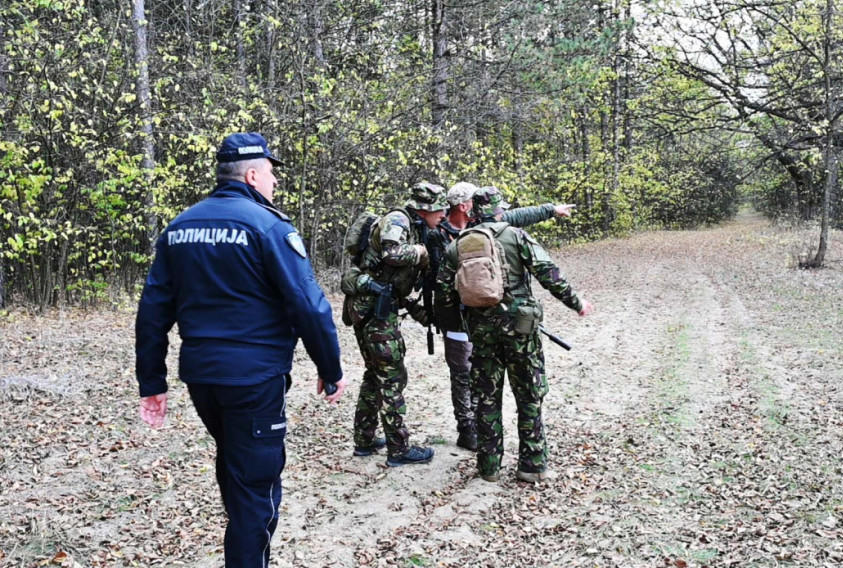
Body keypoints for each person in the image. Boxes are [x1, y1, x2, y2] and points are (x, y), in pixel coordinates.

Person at [135, 132, 347, 568]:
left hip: (203, 379)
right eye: (270, 173)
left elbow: (153, 311)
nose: (275, 182)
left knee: (236, 469)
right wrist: (331, 367)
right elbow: (308, 304)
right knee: (254, 488)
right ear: (252, 175)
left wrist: (152, 382)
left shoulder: (180, 228)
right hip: (253, 380)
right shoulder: (269, 226)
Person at [435, 186, 594, 483]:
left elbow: (443, 294)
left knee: (486, 398)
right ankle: (532, 465)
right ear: (499, 210)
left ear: (474, 212)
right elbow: (548, 273)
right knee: (529, 394)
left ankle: (489, 467)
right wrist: (577, 303)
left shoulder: (460, 245)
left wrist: (460, 327)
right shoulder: (516, 236)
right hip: (520, 329)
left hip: (481, 332)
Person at [345, 182, 448, 466]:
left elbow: (393, 279)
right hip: (374, 314)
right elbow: (392, 254)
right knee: (392, 377)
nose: (443, 214)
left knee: (374, 375)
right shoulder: (398, 220)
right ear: (424, 209)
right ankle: (399, 449)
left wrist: (418, 311)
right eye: (440, 209)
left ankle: (364, 440)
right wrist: (421, 252)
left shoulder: (413, 226)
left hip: (373, 310)